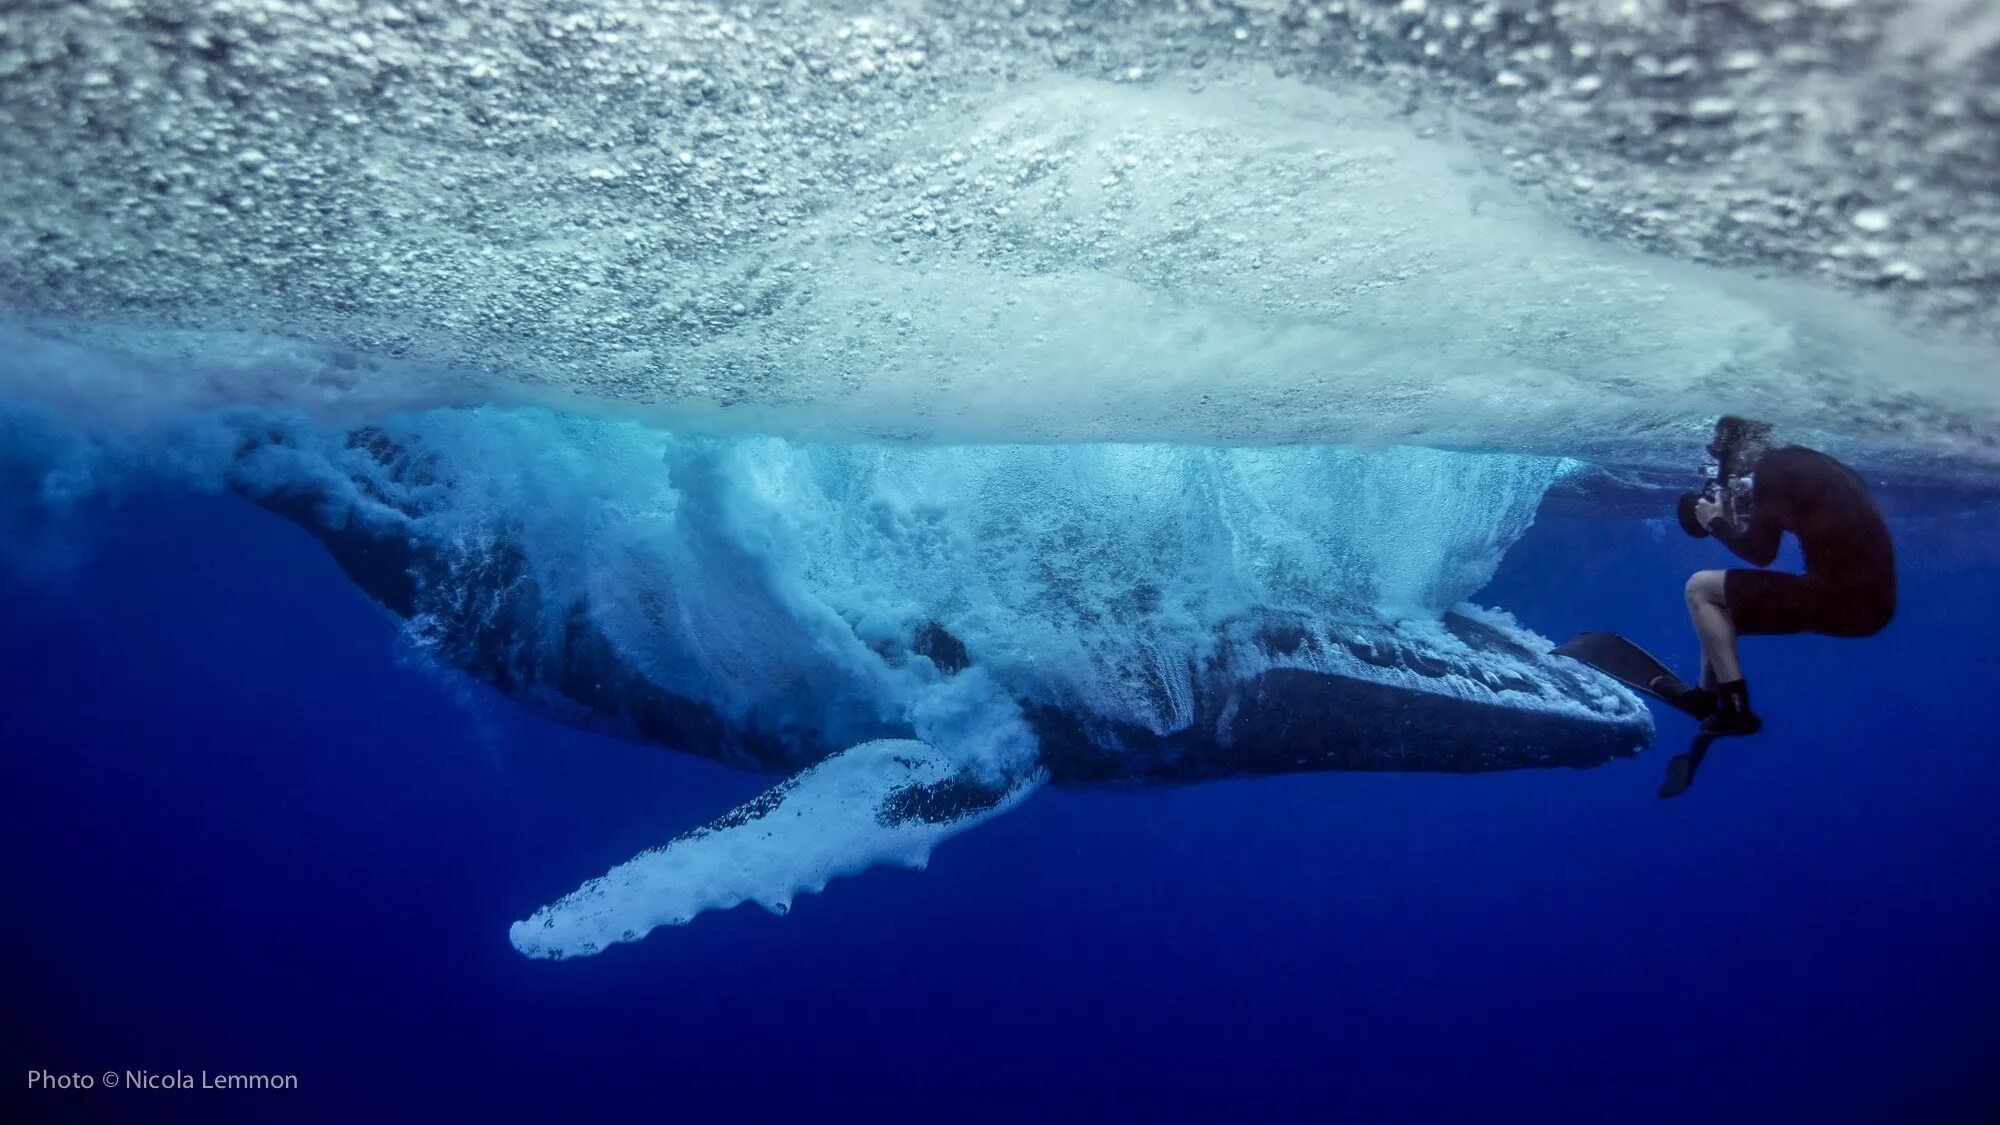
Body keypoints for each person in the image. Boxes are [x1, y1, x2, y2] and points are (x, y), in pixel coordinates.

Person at [1660, 416, 1898, 737]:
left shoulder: (1772, 468)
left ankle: (1735, 709)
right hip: (1874, 603)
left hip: (1842, 601)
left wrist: (1717, 523)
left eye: (1723, 457)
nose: (1726, 468)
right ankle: (1704, 697)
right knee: (1720, 609)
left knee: (1700, 588)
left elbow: (1760, 554)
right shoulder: (1806, 462)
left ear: (1741, 445)